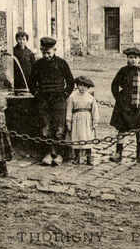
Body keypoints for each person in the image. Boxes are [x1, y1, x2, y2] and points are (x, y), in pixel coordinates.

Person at [28, 37, 74, 166]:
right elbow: (31, 83)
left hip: (59, 100)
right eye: (44, 53)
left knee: (59, 127)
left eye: (49, 53)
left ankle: (58, 154)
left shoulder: (62, 63)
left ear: (55, 50)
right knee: (45, 127)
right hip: (43, 100)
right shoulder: (38, 65)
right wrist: (37, 94)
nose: (46, 55)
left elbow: (70, 82)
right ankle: (48, 153)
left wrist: (64, 94)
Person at [109, 47, 140, 164]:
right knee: (121, 130)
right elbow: (114, 85)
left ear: (139, 59)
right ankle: (118, 152)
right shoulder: (123, 71)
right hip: (125, 106)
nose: (133, 60)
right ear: (127, 59)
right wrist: (119, 98)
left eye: (135, 58)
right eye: (130, 57)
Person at [66, 76, 99, 165]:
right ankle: (77, 157)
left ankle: (89, 157)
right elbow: (69, 109)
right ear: (77, 86)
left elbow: (94, 110)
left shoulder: (90, 97)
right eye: (80, 85)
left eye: (85, 86)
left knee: (88, 138)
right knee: (77, 137)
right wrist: (68, 121)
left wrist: (95, 121)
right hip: (76, 119)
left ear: (88, 87)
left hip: (87, 120)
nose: (82, 88)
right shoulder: (72, 96)